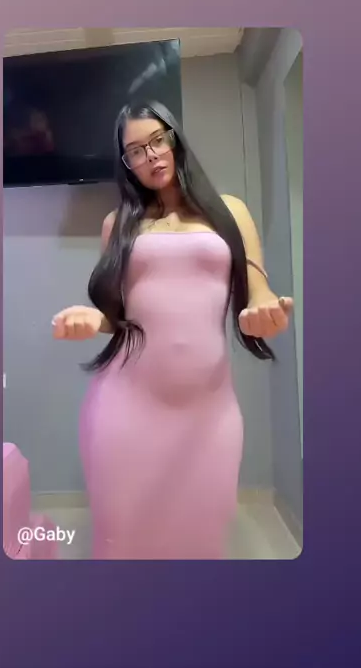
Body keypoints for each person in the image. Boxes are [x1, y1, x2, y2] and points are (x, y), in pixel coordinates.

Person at [52, 100, 293, 560]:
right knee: (123, 544)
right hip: (124, 410)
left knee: (201, 543)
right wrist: (92, 318)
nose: (151, 156)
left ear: (174, 139)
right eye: (135, 151)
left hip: (209, 414)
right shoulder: (118, 224)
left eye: (157, 141)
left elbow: (258, 290)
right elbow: (114, 313)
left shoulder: (231, 212)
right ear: (126, 163)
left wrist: (264, 310)